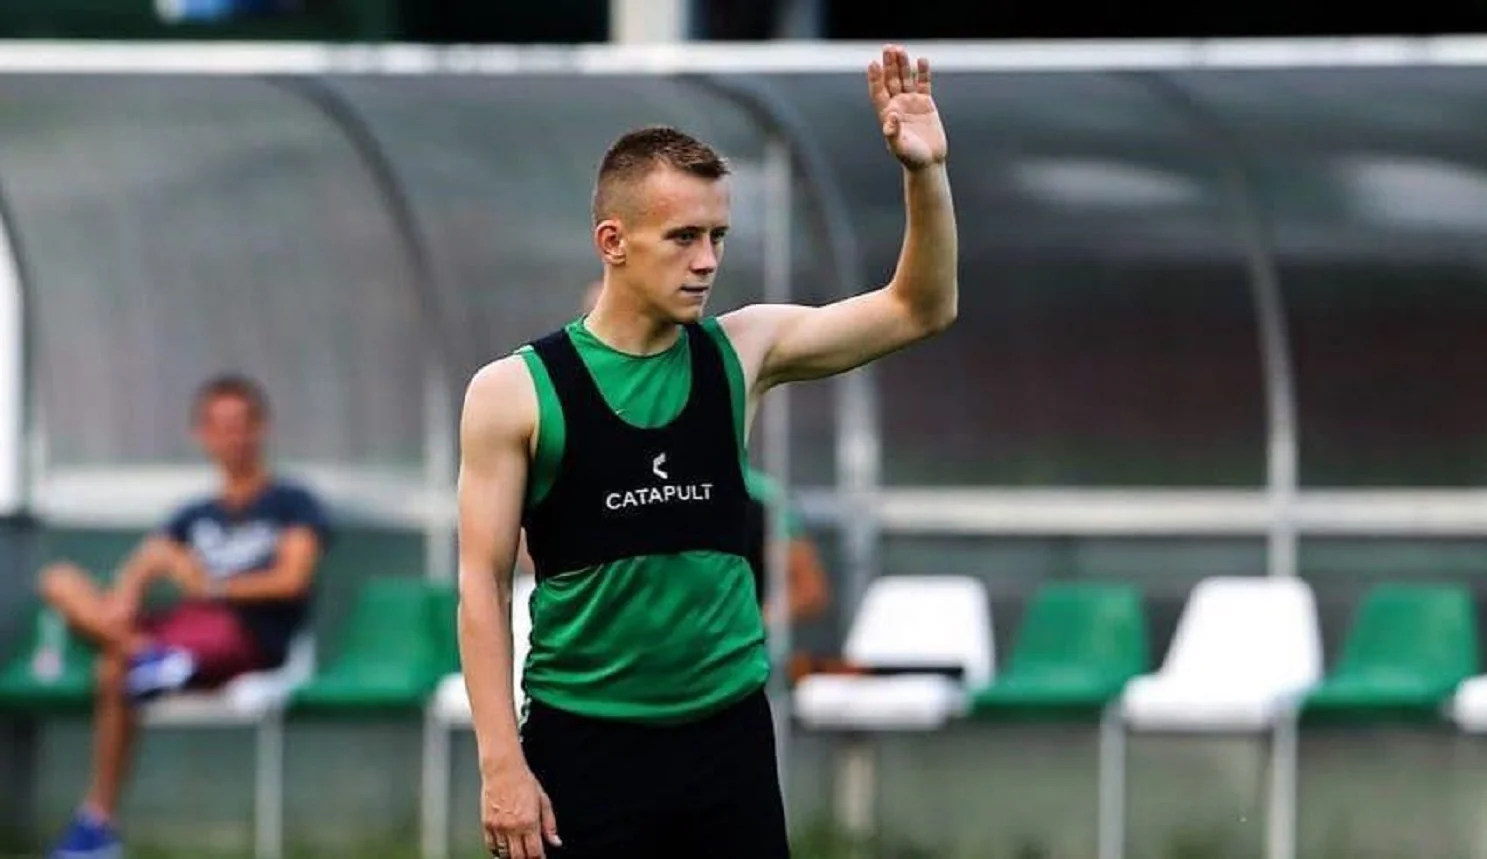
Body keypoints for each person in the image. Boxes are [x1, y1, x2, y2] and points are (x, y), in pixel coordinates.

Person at [457, 44, 956, 859]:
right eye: (682, 237)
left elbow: (919, 308)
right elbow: (480, 583)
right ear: (613, 241)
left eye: (718, 236)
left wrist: (924, 171)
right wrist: (500, 764)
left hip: (726, 743)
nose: (707, 261)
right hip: (582, 748)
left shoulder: (742, 350)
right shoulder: (514, 390)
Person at [38, 374, 331, 859]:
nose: (233, 437)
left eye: (242, 424)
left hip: (249, 637)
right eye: (221, 426)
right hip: (183, 628)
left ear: (261, 428)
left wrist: (212, 585)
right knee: (60, 582)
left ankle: (98, 816)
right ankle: (143, 658)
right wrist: (130, 591)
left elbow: (292, 579)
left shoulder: (291, 503)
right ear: (203, 435)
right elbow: (148, 559)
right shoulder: (194, 514)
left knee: (113, 668)